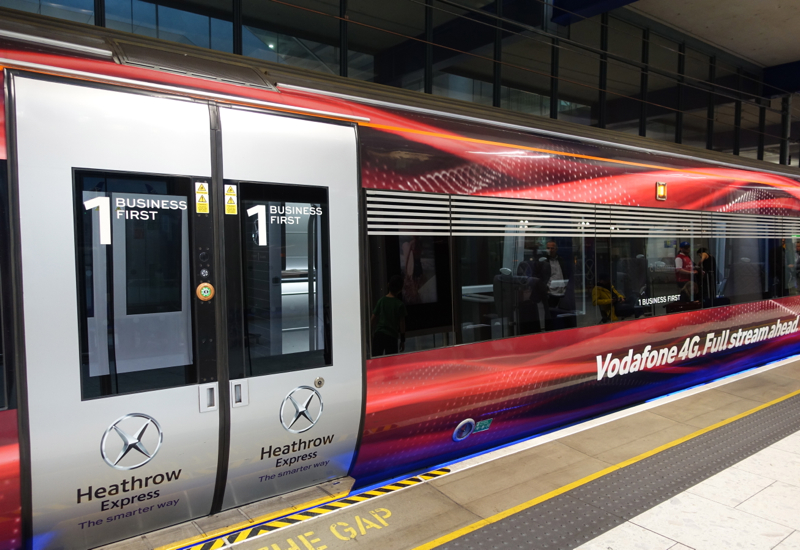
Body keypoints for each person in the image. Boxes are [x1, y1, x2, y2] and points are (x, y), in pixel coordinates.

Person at [371, 275, 407, 356]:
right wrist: (402, 340)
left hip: (379, 335)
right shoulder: (400, 305)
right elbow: (402, 324)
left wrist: (369, 334)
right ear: (400, 289)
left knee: (375, 360)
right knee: (391, 362)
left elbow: (373, 319)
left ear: (388, 285)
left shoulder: (381, 301)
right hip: (392, 337)